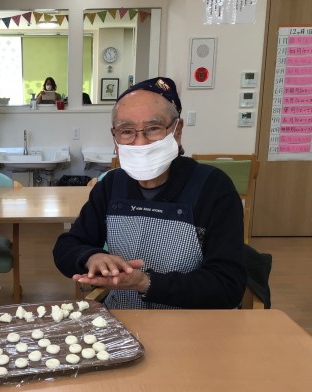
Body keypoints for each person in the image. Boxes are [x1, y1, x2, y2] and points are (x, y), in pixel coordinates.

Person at [53, 77, 246, 309]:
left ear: (177, 131)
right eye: (127, 131)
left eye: (153, 129)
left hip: (192, 321)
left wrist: (145, 282)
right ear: (115, 138)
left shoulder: (212, 187)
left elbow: (228, 286)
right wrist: (91, 257)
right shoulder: (112, 185)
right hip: (122, 318)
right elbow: (67, 247)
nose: (140, 143)